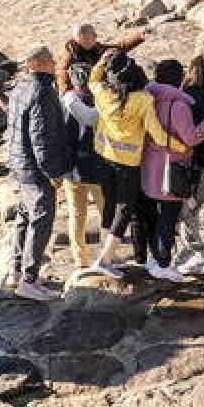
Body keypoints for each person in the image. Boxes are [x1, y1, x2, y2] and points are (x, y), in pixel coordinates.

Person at [81, 49, 175, 279]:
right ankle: (105, 259)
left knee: (109, 205)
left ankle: (105, 255)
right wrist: (179, 145)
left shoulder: (102, 93)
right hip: (128, 163)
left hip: (104, 156)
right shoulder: (143, 99)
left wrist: (102, 62)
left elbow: (93, 79)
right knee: (124, 209)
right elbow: (157, 133)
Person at [136, 59, 204, 283]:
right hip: (171, 169)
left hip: (149, 167)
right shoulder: (179, 105)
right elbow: (191, 138)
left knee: (155, 216)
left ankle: (153, 259)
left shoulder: (147, 99)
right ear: (178, 78)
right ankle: (163, 263)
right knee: (169, 216)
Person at [7, 44, 72, 301]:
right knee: (41, 219)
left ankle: (16, 271)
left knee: (24, 216)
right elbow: (41, 138)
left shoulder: (20, 87)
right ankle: (29, 279)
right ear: (36, 63)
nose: (54, 62)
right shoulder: (42, 91)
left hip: (18, 163)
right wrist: (53, 172)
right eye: (49, 59)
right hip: (35, 168)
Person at [174, 56, 204, 274]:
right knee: (192, 209)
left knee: (187, 211)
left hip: (190, 164)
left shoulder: (186, 98)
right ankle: (194, 254)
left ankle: (197, 255)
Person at [60, 63, 107, 271]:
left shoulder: (64, 102)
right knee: (106, 211)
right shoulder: (101, 101)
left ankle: (80, 260)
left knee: (76, 214)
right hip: (97, 164)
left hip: (71, 166)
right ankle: (106, 255)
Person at [56, 24, 145, 93]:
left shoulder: (96, 47)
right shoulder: (69, 54)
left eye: (93, 35)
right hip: (80, 91)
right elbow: (62, 74)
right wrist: (66, 93)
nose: (95, 37)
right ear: (80, 38)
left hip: (97, 87)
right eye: (92, 35)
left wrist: (139, 37)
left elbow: (118, 47)